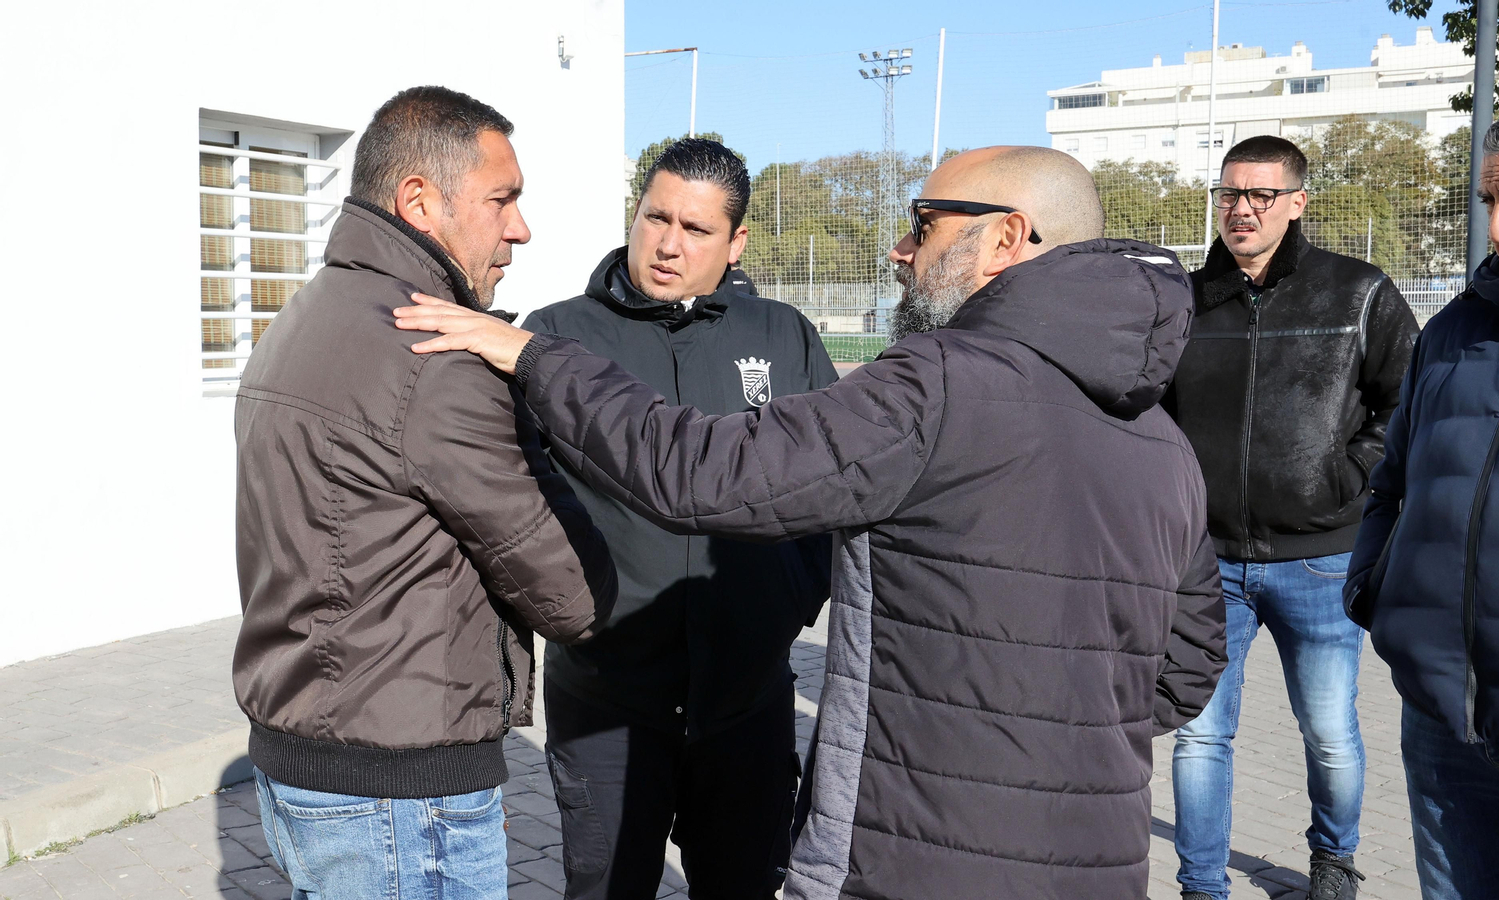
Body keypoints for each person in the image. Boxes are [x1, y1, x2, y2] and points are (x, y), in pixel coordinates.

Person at [396, 145, 1229, 900]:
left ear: (1006, 238)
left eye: (925, 225)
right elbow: (1189, 667)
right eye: (655, 217)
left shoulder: (932, 385)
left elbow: (705, 473)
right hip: (1096, 858)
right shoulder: (1164, 439)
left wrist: (536, 360)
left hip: (917, 847)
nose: (901, 250)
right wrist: (1062, 731)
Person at [233, 86, 617, 900]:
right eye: (501, 200)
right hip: (398, 796)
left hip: (305, 766)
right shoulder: (436, 357)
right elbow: (572, 596)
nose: (520, 227)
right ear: (419, 202)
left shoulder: (305, 315)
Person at [527, 137, 836, 900]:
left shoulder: (782, 335)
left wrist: (791, 598)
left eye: (696, 229)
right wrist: (576, 609)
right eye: (655, 218)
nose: (667, 244)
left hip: (748, 702)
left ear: (736, 242)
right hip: (607, 701)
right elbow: (520, 497)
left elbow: (832, 486)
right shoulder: (557, 336)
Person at [1345, 86, 1499, 900]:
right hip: (1447, 727)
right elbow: (1394, 482)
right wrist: (1373, 590)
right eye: (1490, 202)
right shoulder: (1456, 328)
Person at [1161, 135, 1418, 900]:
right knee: (1201, 733)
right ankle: (1200, 885)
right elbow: (1149, 410)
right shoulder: (1181, 300)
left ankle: (1333, 861)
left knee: (1329, 732)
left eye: (1260, 195)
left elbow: (1408, 400)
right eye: (1229, 194)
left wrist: (1347, 476)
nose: (1241, 209)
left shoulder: (1357, 291)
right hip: (1205, 561)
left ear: (1297, 202)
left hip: (1319, 559)